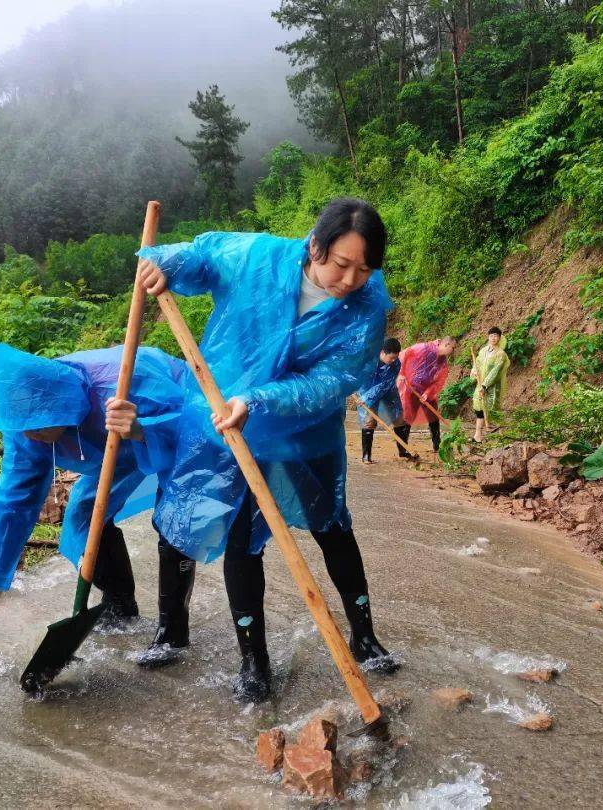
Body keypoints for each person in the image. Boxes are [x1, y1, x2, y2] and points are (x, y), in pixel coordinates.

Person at [136, 197, 397, 703]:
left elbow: (331, 382)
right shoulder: (258, 257)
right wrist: (164, 263)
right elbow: (203, 258)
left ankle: (364, 636)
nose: (349, 280)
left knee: (332, 528)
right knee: (240, 535)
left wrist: (259, 399)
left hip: (304, 432)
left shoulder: (367, 311)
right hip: (225, 421)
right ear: (314, 246)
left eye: (363, 270)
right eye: (341, 264)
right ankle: (253, 661)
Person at [0, 343, 188, 658]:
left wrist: (143, 430)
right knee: (83, 516)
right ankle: (120, 604)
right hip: (112, 450)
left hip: (159, 425)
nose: (30, 437)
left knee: (177, 520)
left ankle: (172, 633)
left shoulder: (126, 387)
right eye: (23, 428)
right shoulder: (25, 420)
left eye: (37, 427)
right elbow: (13, 498)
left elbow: (192, 427)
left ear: (64, 409)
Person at [397, 336, 457, 452]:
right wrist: (402, 373)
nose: (453, 351)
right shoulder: (424, 348)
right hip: (411, 387)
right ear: (446, 345)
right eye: (453, 348)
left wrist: (428, 393)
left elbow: (439, 381)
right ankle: (402, 448)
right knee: (408, 417)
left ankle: (437, 446)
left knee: (433, 417)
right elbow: (405, 354)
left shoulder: (443, 362)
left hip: (426, 391)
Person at [356, 337, 408, 463]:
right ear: (382, 353)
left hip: (387, 389)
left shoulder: (396, 364)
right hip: (367, 390)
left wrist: (367, 396)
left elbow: (385, 384)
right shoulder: (368, 360)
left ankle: (403, 451)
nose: (394, 360)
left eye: (396, 357)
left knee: (399, 418)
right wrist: (364, 396)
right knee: (369, 421)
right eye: (391, 358)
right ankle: (366, 456)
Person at [470, 326, 510, 443]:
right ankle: (478, 435)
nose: (493, 338)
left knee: (493, 409)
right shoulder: (483, 351)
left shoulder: (500, 354)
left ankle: (502, 435)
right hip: (480, 383)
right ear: (488, 337)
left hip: (492, 387)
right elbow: (476, 363)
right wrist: (474, 371)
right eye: (492, 335)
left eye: (496, 336)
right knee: (479, 407)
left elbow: (495, 372)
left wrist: (485, 386)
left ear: (499, 338)